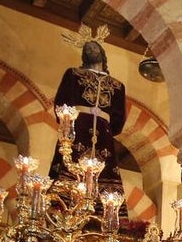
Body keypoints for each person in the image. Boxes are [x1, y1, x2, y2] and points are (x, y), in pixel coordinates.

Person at [49, 34, 127, 193]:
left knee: (105, 168)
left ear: (102, 53)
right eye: (88, 48)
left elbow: (119, 117)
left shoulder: (117, 85)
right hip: (78, 126)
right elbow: (62, 101)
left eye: (94, 47)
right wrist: (67, 122)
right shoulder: (74, 74)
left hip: (103, 132)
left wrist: (107, 126)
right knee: (70, 161)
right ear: (84, 55)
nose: (91, 49)